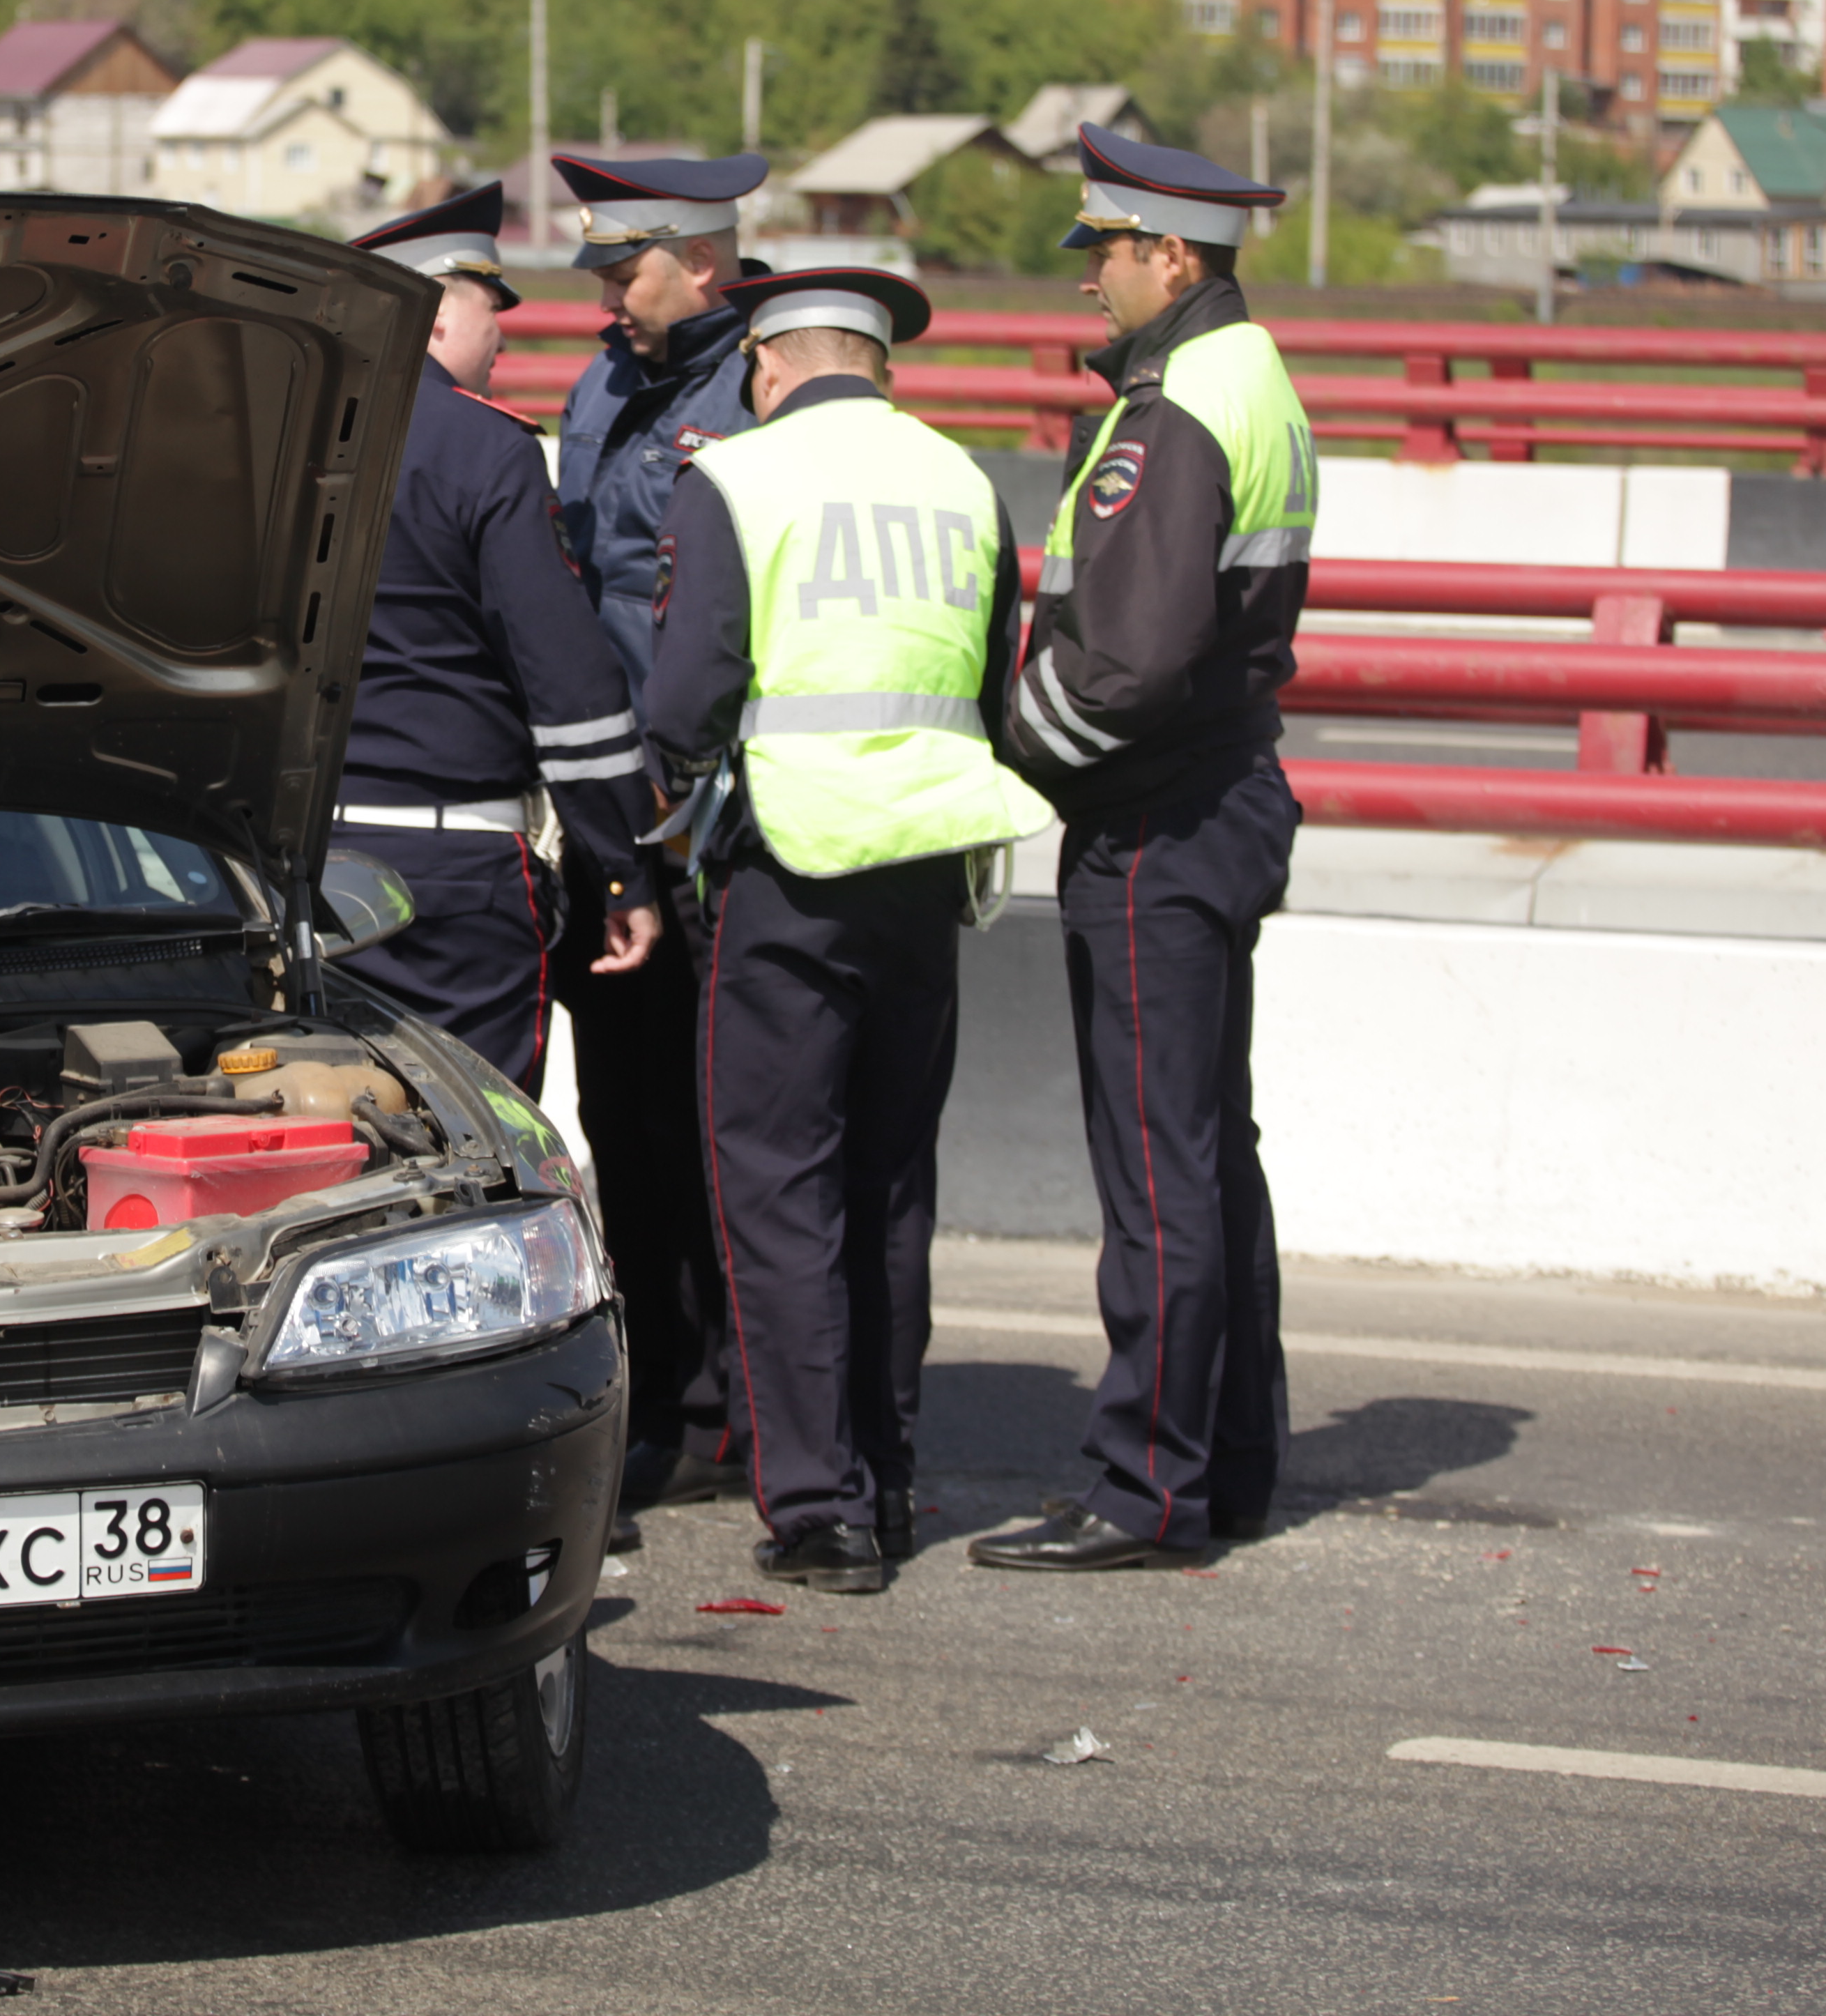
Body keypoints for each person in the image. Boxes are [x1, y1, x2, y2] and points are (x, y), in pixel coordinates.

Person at [640, 267, 1051, 1591]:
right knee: (889, 1186)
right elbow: (994, 677)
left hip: (790, 874)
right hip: (925, 869)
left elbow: (687, 701)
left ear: (766, 362)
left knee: (777, 1184)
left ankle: (818, 1506)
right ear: (883, 366)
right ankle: (893, 1477)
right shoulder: (963, 483)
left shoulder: (742, 480)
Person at [969, 125, 1317, 1574]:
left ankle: (1146, 1490)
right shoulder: (1254, 376)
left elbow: (1124, 664)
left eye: (1105, 252)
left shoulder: (1176, 403)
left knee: (1158, 1175)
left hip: (1158, 819)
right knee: (1210, 1157)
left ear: (1171, 255)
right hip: (1221, 796)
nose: (1092, 279)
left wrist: (1006, 764)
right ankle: (1225, 1466)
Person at [547, 150, 771, 1513]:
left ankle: (749, 1396)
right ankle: (667, 1387)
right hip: (608, 810)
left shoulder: (757, 386)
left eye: (626, 273)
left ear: (706, 262)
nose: (610, 300)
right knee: (625, 1120)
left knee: (726, 1119)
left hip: (715, 813)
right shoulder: (600, 384)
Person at [334, 182, 660, 1102]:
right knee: (476, 1142)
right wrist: (622, 869)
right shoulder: (488, 449)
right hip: (456, 880)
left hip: (304, 866)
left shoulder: (291, 440)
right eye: (491, 308)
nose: (504, 335)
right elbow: (569, 686)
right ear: (436, 317)